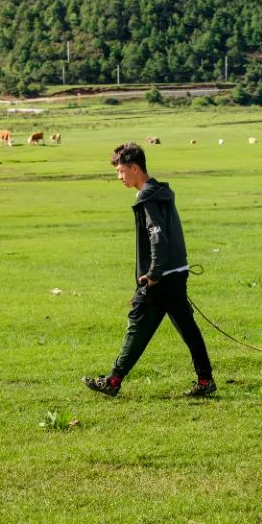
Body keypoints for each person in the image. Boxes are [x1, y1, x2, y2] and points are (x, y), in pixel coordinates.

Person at [83, 142, 216, 397]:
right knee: (187, 329)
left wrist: (153, 274)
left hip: (162, 277)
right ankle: (205, 381)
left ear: (135, 169)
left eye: (121, 171)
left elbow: (157, 237)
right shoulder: (160, 192)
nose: (119, 177)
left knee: (138, 325)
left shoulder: (147, 197)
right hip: (176, 272)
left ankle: (112, 381)